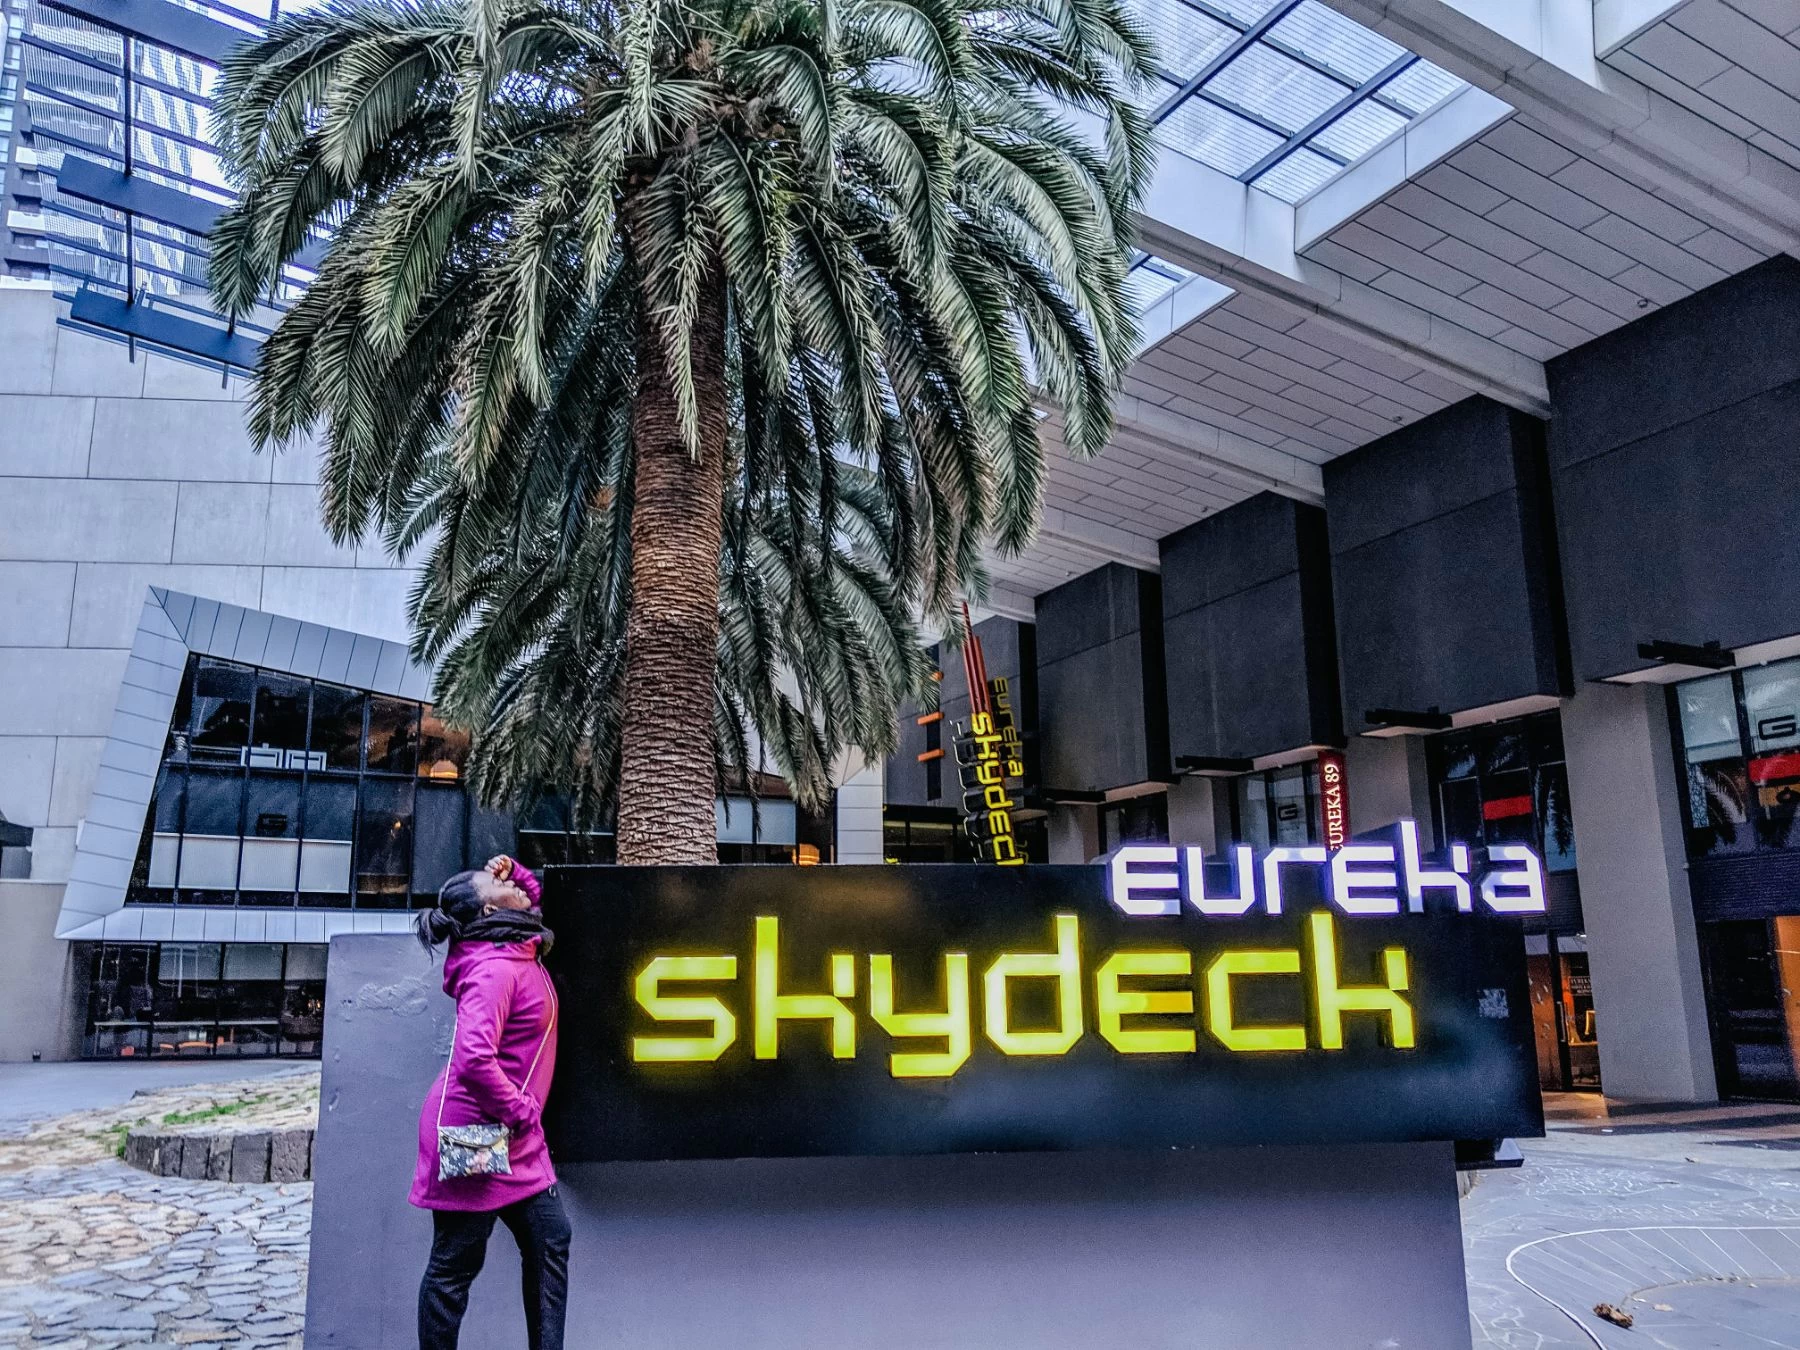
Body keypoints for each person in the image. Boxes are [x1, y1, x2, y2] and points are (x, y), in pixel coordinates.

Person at [411, 855, 568, 1350]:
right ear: (484, 913)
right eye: (494, 883)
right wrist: (522, 1112)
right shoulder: (494, 969)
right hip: (475, 1135)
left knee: (551, 1240)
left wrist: (516, 874)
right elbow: (474, 1058)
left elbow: (534, 902)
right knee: (455, 1265)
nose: (510, 885)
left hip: (509, 1136)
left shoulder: (514, 948)